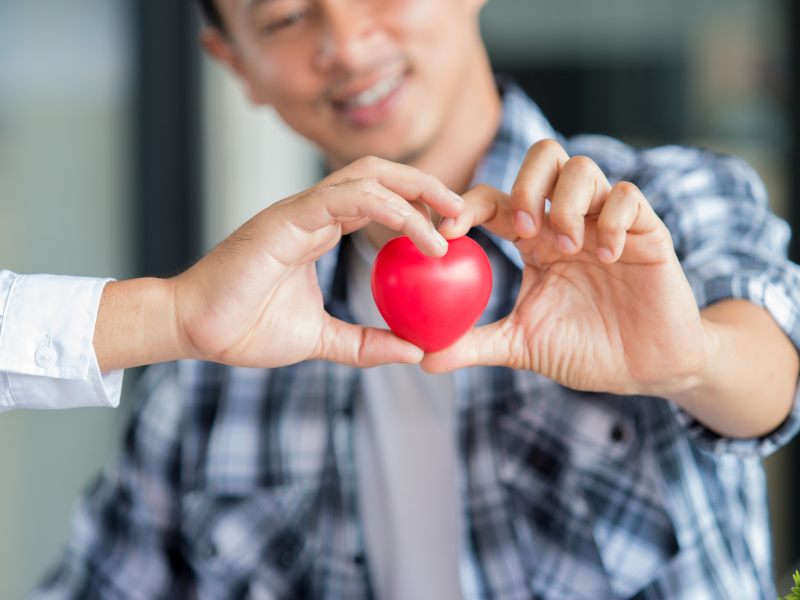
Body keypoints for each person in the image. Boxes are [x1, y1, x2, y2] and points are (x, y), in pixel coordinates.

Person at [31, 0, 800, 597]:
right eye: (287, 17)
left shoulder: (652, 212)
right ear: (235, 64)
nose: (347, 42)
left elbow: (774, 376)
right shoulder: (211, 367)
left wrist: (691, 361)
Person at [0, 161, 462, 412]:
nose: (346, 45)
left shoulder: (536, 287)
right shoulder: (194, 389)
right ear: (230, 55)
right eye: (288, 18)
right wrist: (177, 316)